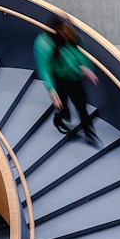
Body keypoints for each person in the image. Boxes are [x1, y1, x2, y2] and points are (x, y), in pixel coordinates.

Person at [34, 16, 100, 144]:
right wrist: (51, 89)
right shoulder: (44, 43)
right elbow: (44, 69)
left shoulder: (70, 37)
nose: (68, 32)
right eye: (65, 29)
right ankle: (58, 119)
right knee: (63, 108)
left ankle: (90, 134)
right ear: (58, 30)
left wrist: (86, 68)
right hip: (58, 80)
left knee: (82, 106)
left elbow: (78, 54)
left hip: (73, 78)